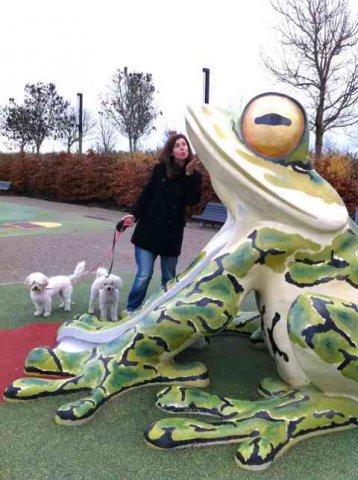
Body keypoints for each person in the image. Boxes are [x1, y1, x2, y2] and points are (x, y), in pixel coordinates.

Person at [119, 133, 202, 313]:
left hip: (172, 235)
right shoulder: (160, 169)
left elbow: (192, 200)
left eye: (185, 145)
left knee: (169, 277)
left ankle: (166, 312)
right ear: (171, 152)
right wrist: (133, 215)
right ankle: (131, 309)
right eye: (178, 145)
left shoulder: (194, 175)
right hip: (148, 231)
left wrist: (188, 175)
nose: (183, 148)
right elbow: (147, 194)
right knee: (144, 275)